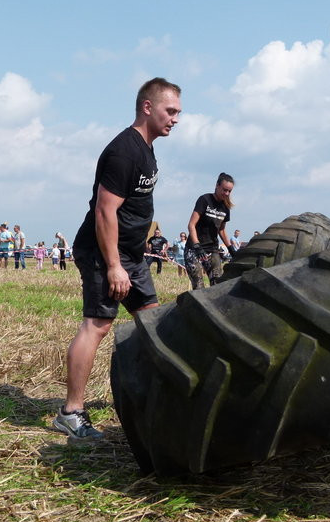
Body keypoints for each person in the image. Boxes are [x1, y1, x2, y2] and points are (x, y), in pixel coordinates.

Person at [53, 77, 181, 441]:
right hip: (102, 251)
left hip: (131, 254)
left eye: (178, 113)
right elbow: (105, 213)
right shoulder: (124, 150)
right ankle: (71, 412)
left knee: (152, 322)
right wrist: (113, 266)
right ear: (147, 107)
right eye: (170, 111)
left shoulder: (147, 149)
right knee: (98, 324)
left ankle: (157, 397)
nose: (175, 119)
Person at [186, 172, 237, 289]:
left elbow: (222, 230)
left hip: (212, 249)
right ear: (217, 185)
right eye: (224, 190)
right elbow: (191, 225)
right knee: (199, 287)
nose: (227, 193)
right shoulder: (205, 200)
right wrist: (197, 246)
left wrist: (231, 249)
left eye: (229, 191)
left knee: (218, 285)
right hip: (194, 249)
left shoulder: (225, 207)